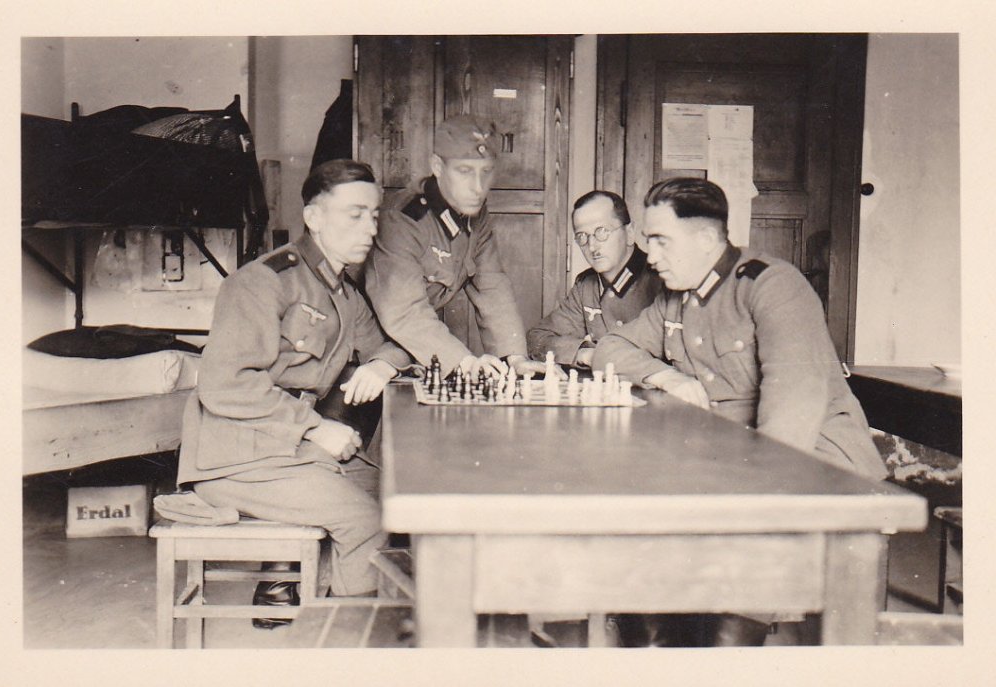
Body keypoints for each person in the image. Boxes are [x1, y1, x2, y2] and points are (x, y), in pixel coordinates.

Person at [593, 177, 886, 646]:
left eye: (662, 240)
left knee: (723, 602)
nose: (651, 255)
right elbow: (609, 348)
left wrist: (734, 496)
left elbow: (792, 413)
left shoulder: (771, 286)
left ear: (706, 239)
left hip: (814, 462)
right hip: (731, 458)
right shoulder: (676, 296)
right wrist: (667, 377)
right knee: (642, 560)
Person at [176, 160, 411, 625]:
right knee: (365, 522)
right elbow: (225, 383)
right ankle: (346, 635)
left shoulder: (342, 292)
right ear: (314, 218)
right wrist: (315, 427)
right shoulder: (264, 281)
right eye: (355, 215)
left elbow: (390, 344)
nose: (370, 228)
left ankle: (302, 592)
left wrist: (382, 364)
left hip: (289, 449)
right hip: (236, 456)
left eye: (374, 215)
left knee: (391, 496)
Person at [363, 114, 549, 380]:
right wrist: (464, 362)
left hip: (417, 346)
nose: (478, 187)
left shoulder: (474, 214)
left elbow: (492, 287)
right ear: (437, 167)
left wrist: (515, 358)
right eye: (464, 171)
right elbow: (404, 311)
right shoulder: (403, 219)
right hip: (370, 349)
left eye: (486, 172)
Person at [526, 190, 662, 366]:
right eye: (582, 236)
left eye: (601, 232)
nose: (591, 246)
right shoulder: (586, 286)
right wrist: (584, 354)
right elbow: (537, 338)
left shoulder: (661, 280)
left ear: (629, 232)